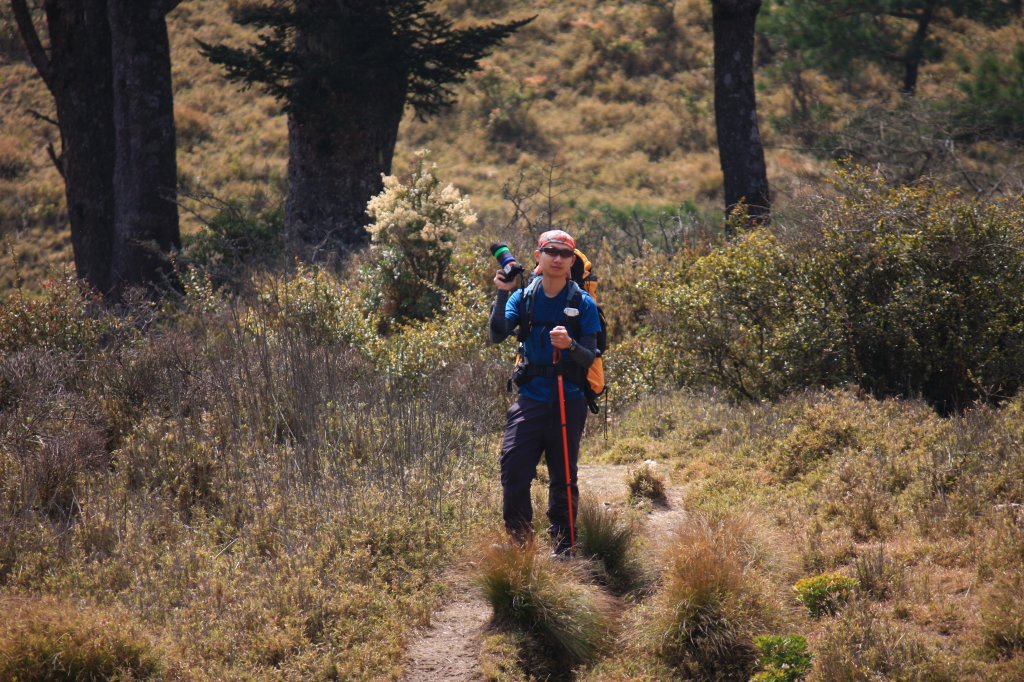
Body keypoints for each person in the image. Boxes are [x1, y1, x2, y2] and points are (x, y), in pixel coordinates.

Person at [489, 229, 601, 555]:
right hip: (530, 400)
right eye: (550, 251)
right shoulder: (521, 298)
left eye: (564, 254)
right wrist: (502, 292)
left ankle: (564, 546)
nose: (557, 258)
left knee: (563, 475)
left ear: (571, 261)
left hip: (569, 399)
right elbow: (498, 334)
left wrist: (570, 345)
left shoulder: (583, 303)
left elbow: (589, 356)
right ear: (538, 256)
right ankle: (519, 543)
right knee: (513, 469)